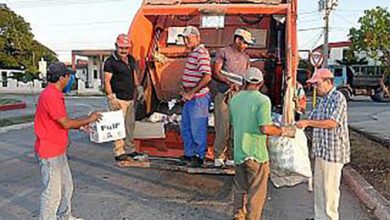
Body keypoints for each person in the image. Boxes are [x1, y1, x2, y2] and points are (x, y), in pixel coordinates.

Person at [34, 62, 102, 220]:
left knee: (66, 187)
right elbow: (64, 122)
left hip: (58, 150)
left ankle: (65, 216)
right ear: (62, 77)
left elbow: (60, 122)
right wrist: (88, 120)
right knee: (52, 193)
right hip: (49, 152)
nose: (71, 78)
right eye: (69, 75)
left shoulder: (55, 93)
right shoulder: (51, 95)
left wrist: (80, 126)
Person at [229, 67, 296, 220]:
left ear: (245, 81)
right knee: (256, 193)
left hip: (239, 152)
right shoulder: (262, 100)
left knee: (240, 189)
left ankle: (238, 216)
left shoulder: (235, 99)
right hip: (257, 154)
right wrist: (284, 131)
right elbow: (265, 128)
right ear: (260, 83)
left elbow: (233, 124)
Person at [296, 68, 350, 220]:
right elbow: (309, 119)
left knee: (330, 190)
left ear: (328, 82)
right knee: (319, 188)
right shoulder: (323, 100)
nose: (315, 87)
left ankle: (330, 218)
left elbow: (332, 123)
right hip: (320, 151)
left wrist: (308, 122)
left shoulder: (338, 98)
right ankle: (320, 217)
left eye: (317, 84)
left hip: (332, 152)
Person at [212, 28, 252, 167]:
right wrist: (229, 82)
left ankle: (231, 156)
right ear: (237, 40)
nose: (246, 46)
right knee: (222, 126)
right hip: (223, 94)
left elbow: (247, 77)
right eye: (244, 43)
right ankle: (218, 156)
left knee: (236, 127)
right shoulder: (223, 52)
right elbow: (216, 72)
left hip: (239, 96)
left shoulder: (246, 57)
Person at [104, 33, 146, 162]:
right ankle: (119, 151)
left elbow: (134, 75)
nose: (124, 51)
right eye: (121, 48)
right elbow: (106, 80)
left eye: (126, 48)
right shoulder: (110, 62)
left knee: (129, 125)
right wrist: (111, 97)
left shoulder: (131, 59)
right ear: (116, 46)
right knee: (118, 126)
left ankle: (130, 149)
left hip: (129, 99)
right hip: (118, 99)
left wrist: (139, 87)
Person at [179, 26, 212, 167]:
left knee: (198, 127)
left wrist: (191, 92)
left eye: (188, 38)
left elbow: (207, 76)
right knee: (186, 126)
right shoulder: (193, 53)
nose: (186, 41)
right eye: (184, 38)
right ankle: (189, 154)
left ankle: (199, 156)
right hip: (190, 98)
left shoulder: (201, 53)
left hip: (198, 98)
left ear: (197, 38)